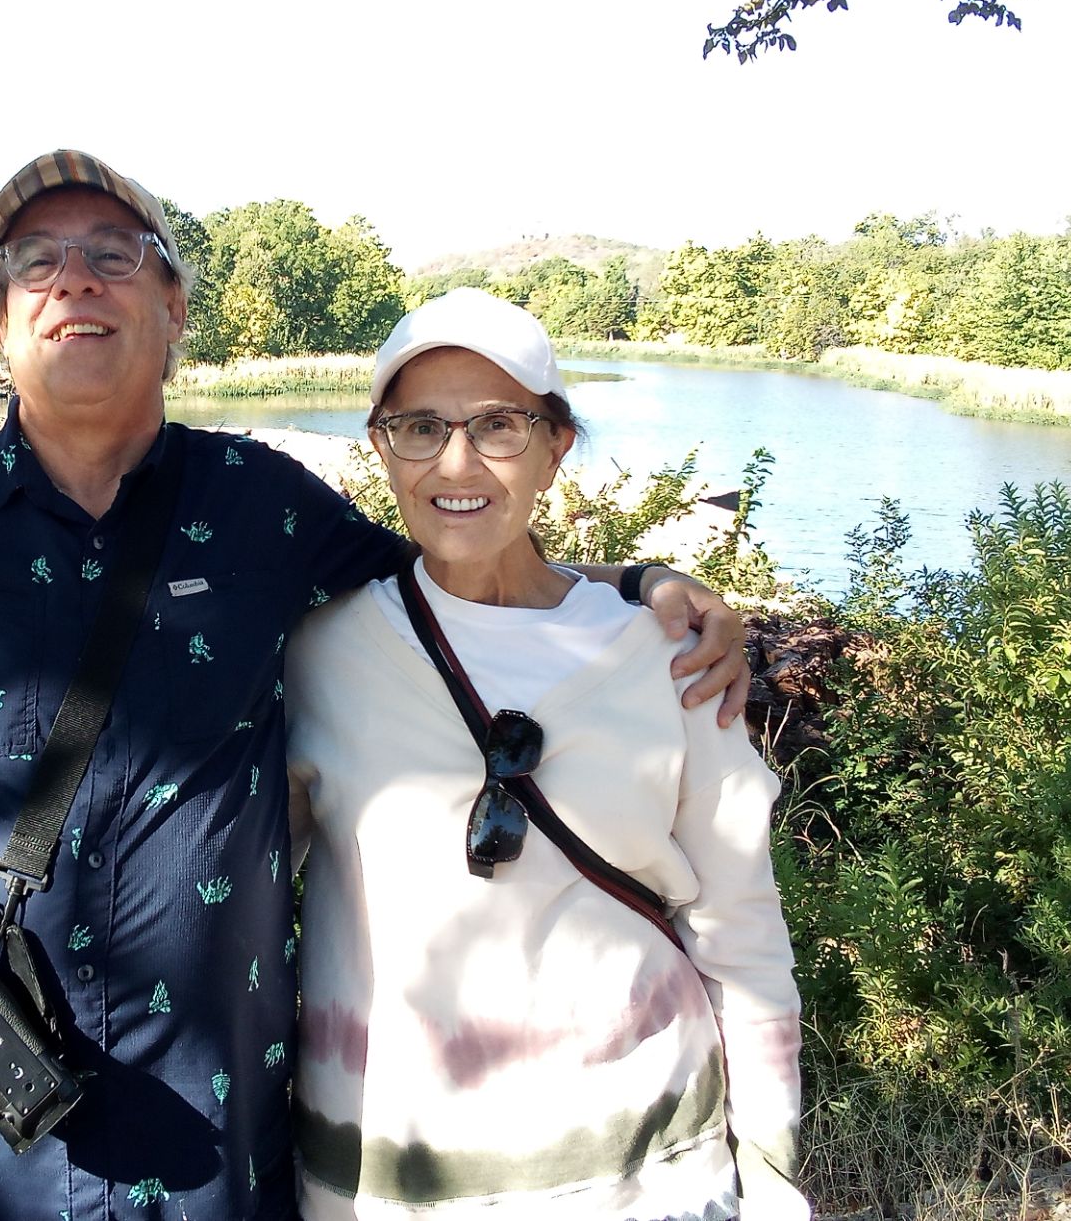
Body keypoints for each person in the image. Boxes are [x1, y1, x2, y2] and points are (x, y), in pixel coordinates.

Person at [0, 153, 752, 1221]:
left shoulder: (262, 507)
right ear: (0, 317)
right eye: (37, 261)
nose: (74, 279)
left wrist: (636, 583)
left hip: (220, 1172)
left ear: (173, 309)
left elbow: (463, 580)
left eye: (114, 256)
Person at [286, 287, 805, 1221]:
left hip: (647, 1176)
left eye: (498, 426)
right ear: (379, 445)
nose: (456, 462)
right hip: (392, 1183)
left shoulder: (669, 655)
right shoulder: (321, 654)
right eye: (418, 427)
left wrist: (769, 1171)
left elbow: (744, 938)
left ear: (556, 447)